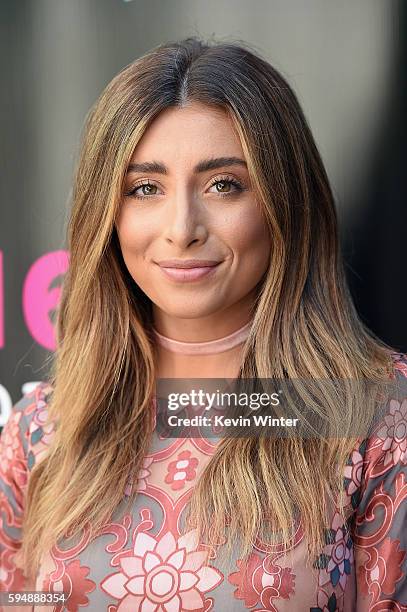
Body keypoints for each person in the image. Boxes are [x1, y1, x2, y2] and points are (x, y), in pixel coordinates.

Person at [1, 36, 406, 611]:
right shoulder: (40, 432)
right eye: (146, 189)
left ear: (285, 200)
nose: (181, 227)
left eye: (224, 185)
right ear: (107, 217)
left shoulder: (375, 418)